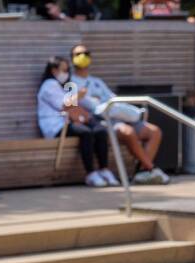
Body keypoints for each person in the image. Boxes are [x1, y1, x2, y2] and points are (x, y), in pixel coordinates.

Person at [70, 43, 169, 184]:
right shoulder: (70, 82)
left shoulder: (97, 81)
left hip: (119, 116)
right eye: (78, 55)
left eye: (86, 54)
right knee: (127, 132)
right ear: (72, 59)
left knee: (155, 131)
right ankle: (151, 169)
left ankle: (141, 173)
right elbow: (67, 106)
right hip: (99, 122)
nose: (82, 57)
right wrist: (78, 97)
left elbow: (113, 99)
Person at [38, 56, 115, 187]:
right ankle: (90, 173)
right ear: (53, 70)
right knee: (86, 133)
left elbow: (76, 108)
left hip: (70, 122)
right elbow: (64, 106)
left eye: (68, 70)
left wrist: (85, 117)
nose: (66, 73)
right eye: (63, 70)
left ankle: (104, 169)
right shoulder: (49, 85)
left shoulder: (66, 85)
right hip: (55, 126)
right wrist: (78, 95)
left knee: (100, 130)